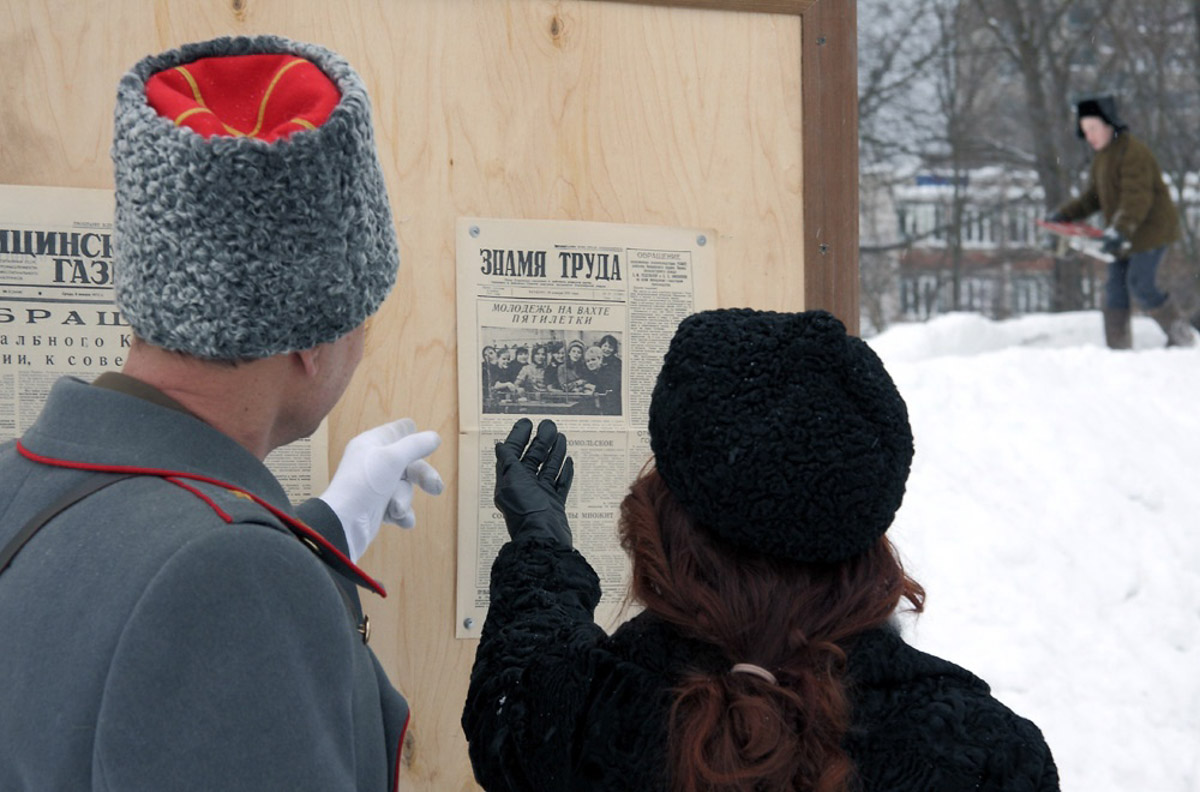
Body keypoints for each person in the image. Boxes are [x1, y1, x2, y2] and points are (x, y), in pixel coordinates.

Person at [0, 35, 445, 791]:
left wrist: (325, 532)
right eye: (366, 314)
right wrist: (270, 564)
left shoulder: (23, 479)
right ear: (312, 336)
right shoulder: (232, 582)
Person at [463, 308, 1060, 792]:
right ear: (864, 533)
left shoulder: (578, 721)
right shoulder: (985, 756)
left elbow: (514, 689)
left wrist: (540, 542)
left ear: (663, 526)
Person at [1048, 94, 1195, 348]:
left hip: (1151, 230)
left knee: (1139, 284)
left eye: (1093, 128)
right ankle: (1117, 348)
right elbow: (1093, 197)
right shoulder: (1102, 157)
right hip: (1123, 232)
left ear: (1109, 124)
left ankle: (1183, 337)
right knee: (1115, 289)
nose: (1089, 136)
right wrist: (1066, 214)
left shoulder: (1132, 153)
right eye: (1085, 130)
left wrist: (1120, 230)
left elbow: (1136, 198)